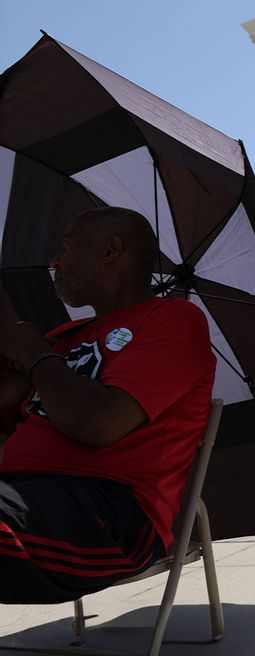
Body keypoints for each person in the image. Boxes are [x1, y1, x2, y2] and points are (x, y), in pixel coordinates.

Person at [0, 207, 215, 604]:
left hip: (109, 514)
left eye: (66, 245)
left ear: (111, 249)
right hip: (21, 492)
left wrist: (34, 355)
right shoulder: (63, 335)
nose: (54, 261)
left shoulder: (174, 321)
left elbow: (98, 424)